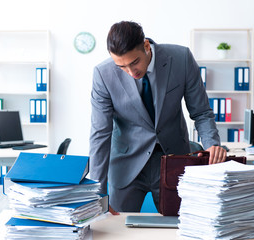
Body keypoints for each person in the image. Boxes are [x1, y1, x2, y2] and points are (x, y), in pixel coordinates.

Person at [89, 21, 227, 215]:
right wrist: (97, 194)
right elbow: (100, 134)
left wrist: (211, 144)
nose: (130, 72)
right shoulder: (103, 74)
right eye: (122, 66)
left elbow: (201, 112)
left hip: (173, 161)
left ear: (146, 46)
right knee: (116, 229)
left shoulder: (181, 59)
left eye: (134, 62)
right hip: (126, 165)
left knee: (181, 226)